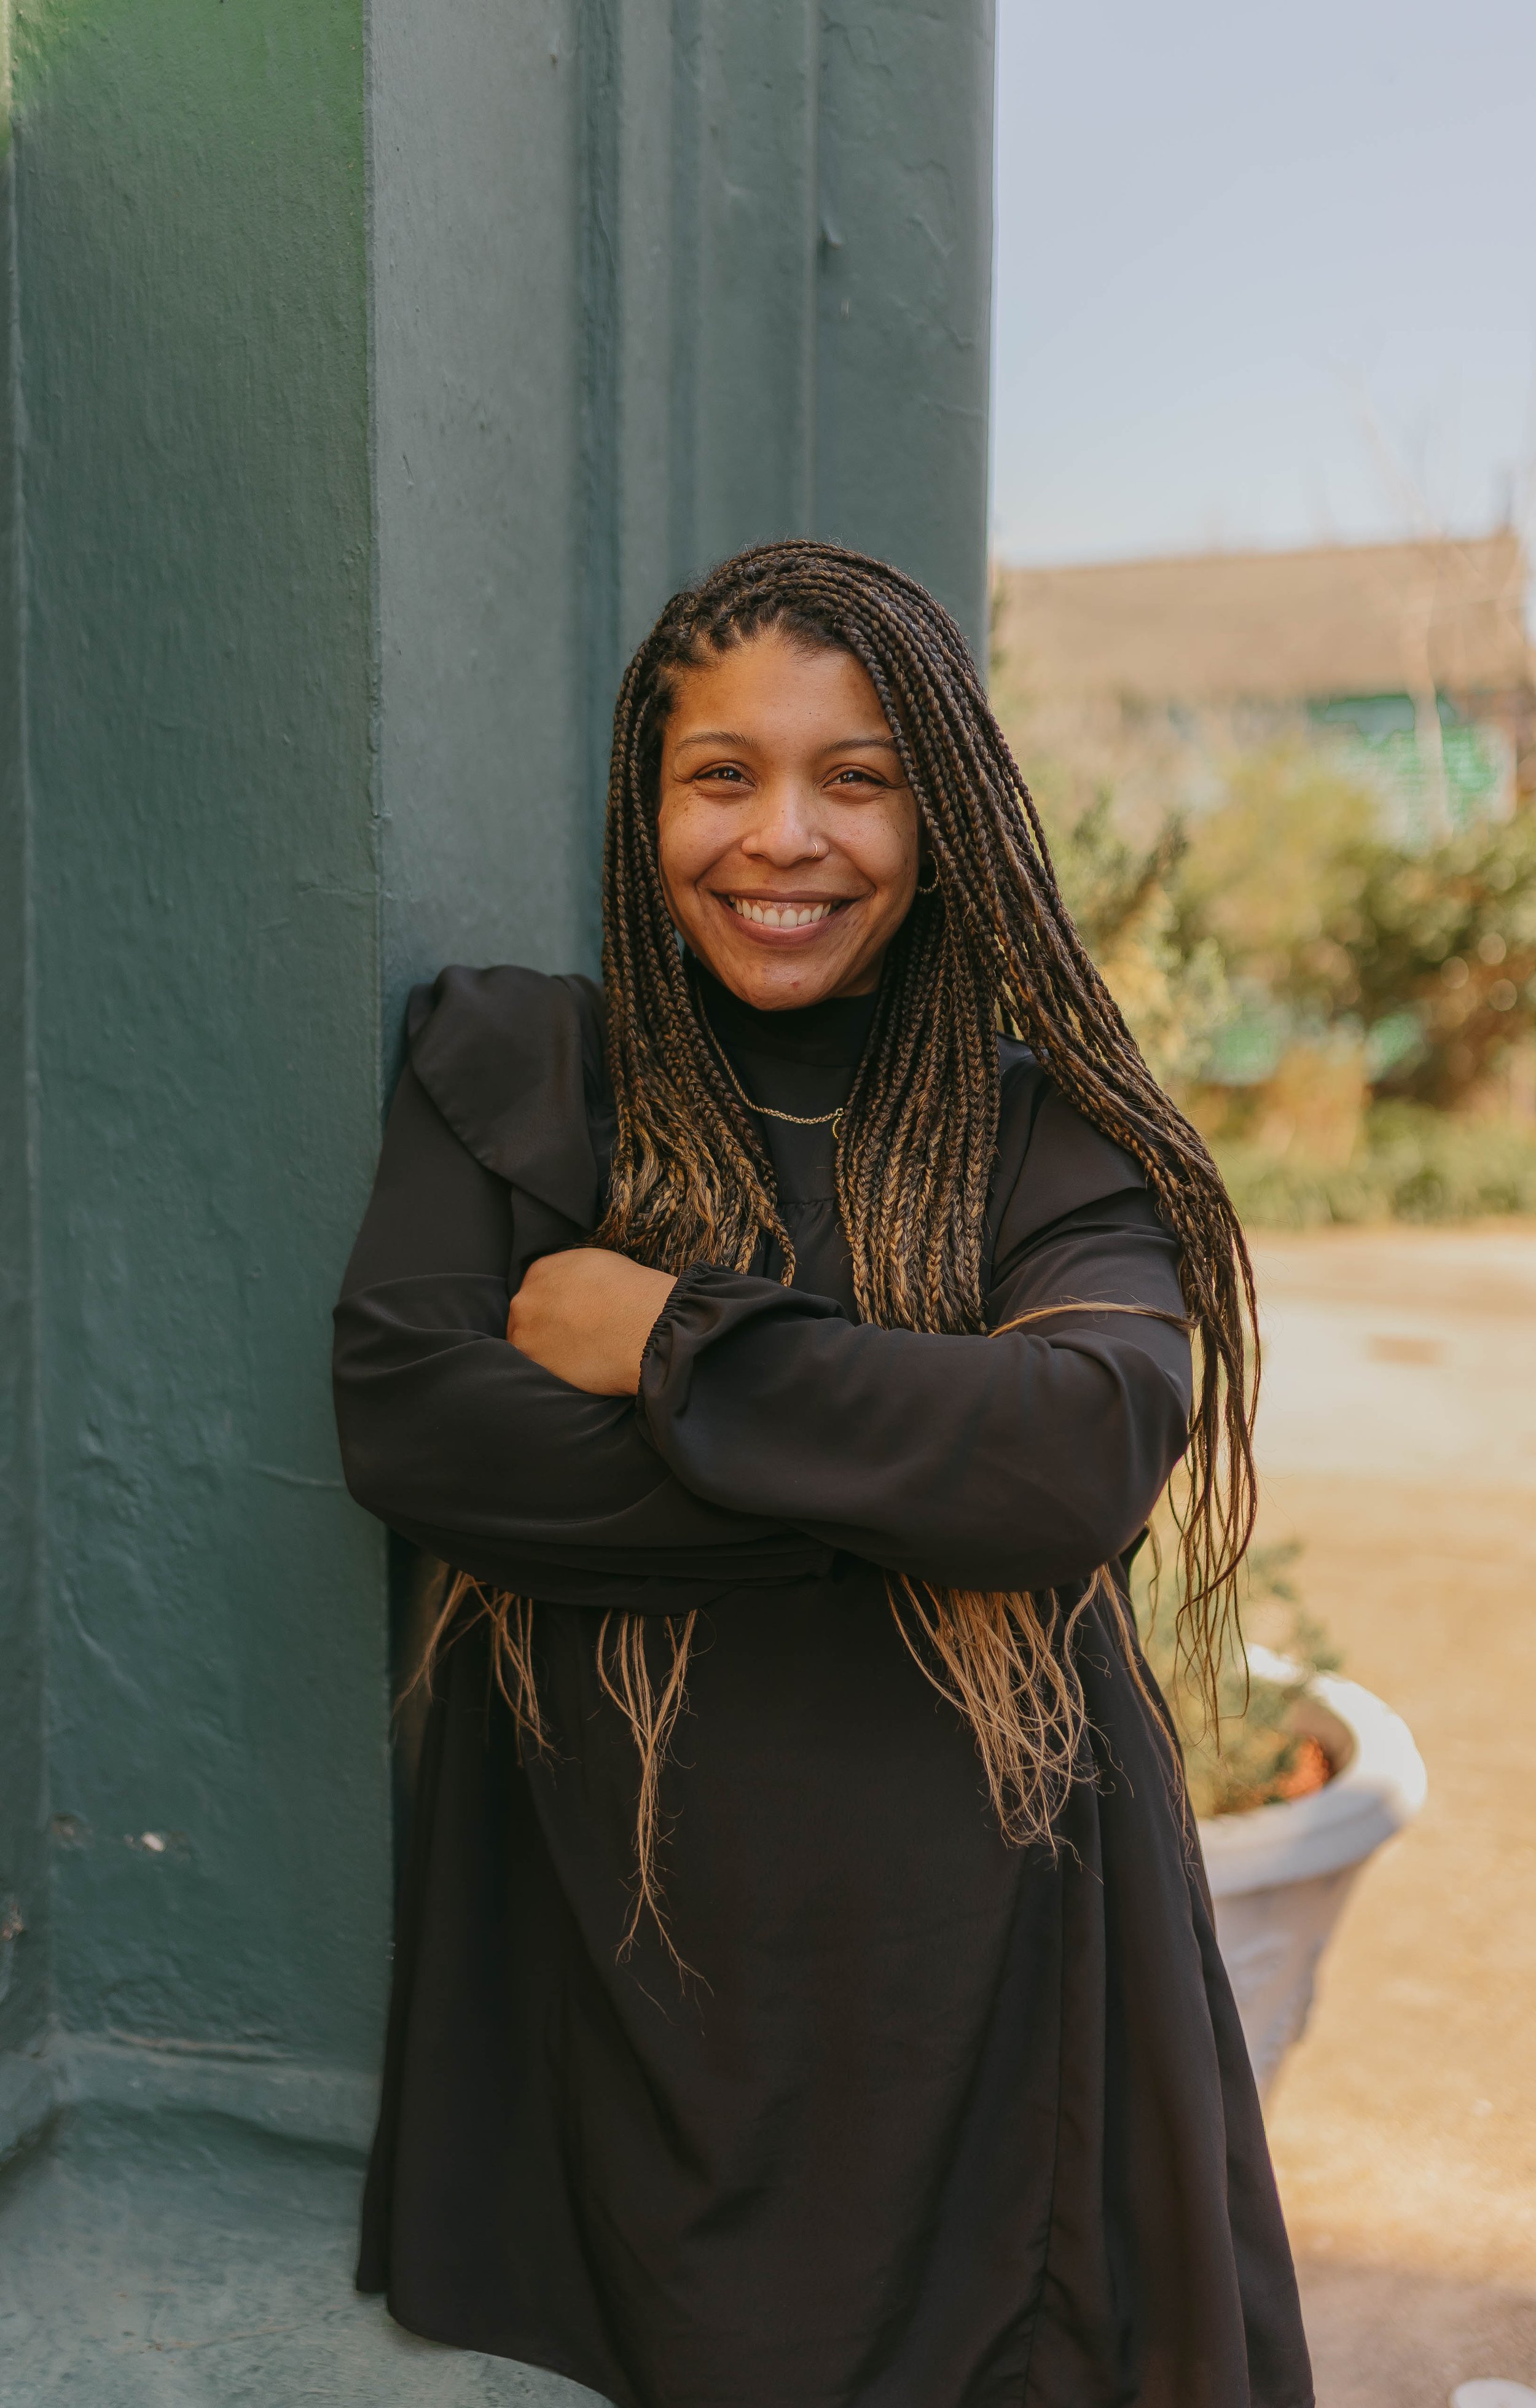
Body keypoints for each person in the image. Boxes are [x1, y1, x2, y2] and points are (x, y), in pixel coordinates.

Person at [332, 539, 1313, 2408]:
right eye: (724, 774)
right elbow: (418, 1425)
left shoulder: (1049, 1139)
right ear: (646, 805)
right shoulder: (520, 1072)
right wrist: (902, 1503)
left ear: (940, 816)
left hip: (1008, 1984)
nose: (784, 837)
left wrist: (672, 1348)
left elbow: (1078, 1450)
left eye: (854, 778)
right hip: (619, 1989)